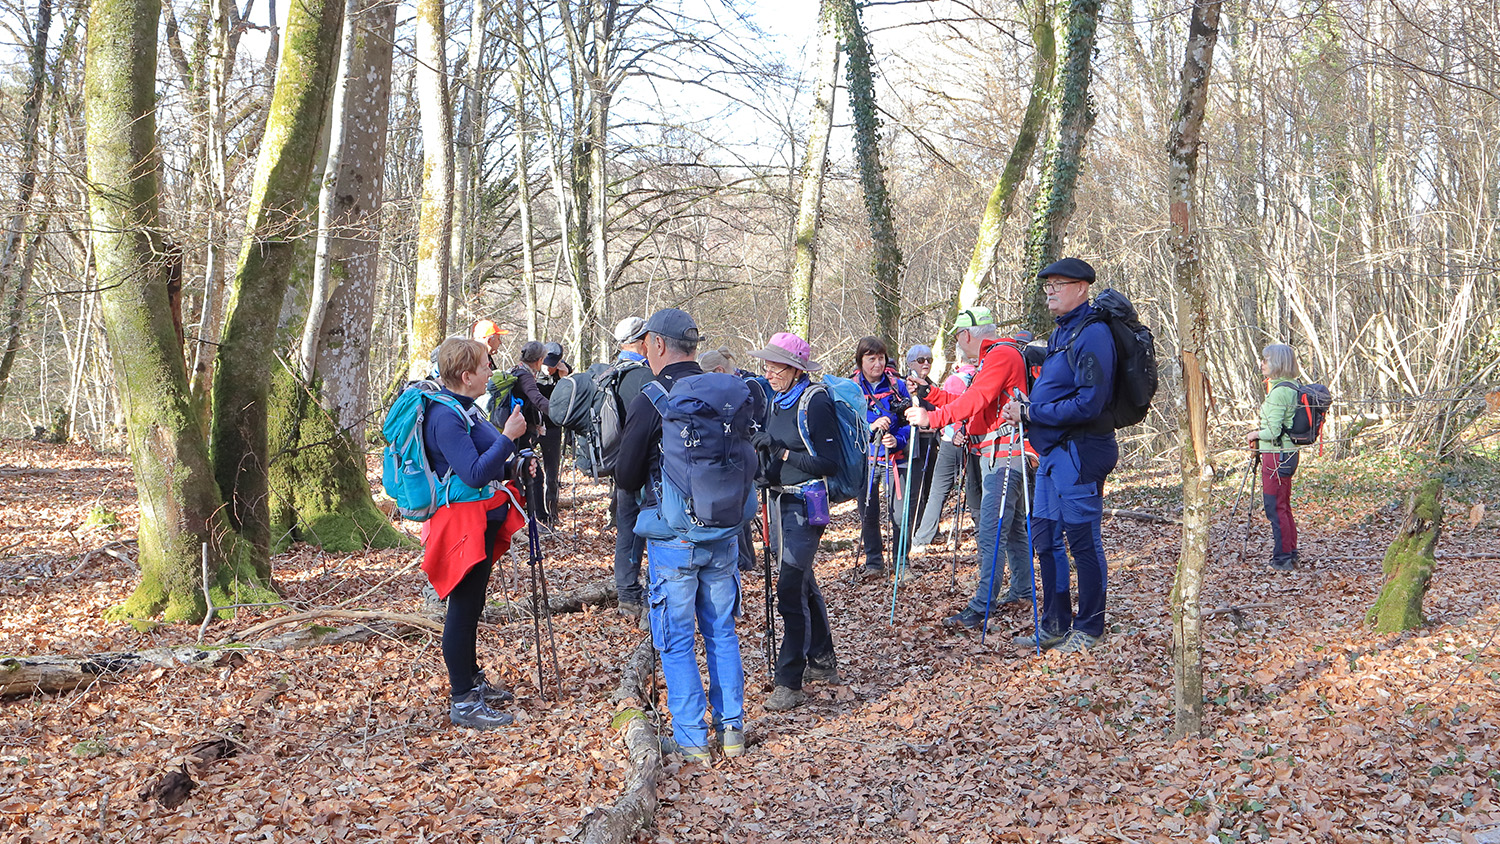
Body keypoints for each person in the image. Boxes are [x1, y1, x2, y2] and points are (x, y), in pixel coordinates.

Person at [615, 308, 747, 760]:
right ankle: (732, 732)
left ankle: (692, 741)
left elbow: (626, 475)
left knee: (675, 640)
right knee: (722, 632)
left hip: (674, 538)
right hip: (724, 532)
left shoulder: (652, 398)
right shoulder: (727, 391)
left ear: (656, 344)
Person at [1001, 257, 1118, 653]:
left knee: (1083, 541)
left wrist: (1031, 412)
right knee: (1046, 538)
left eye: (1058, 284)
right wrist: (1028, 405)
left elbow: (1089, 403)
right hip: (1053, 454)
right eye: (1047, 285)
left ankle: (1090, 628)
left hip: (1081, 453)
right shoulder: (1062, 332)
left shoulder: (1093, 334)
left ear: (1082, 288)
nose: (1049, 291)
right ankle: (1055, 623)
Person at [420, 337, 529, 730]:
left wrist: (515, 464)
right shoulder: (444, 416)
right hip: (459, 525)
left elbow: (489, 461)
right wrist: (509, 438)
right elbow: (474, 473)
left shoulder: (467, 408)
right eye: (485, 366)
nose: (490, 372)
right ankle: (463, 700)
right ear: (466, 375)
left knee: (473, 604)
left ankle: (471, 680)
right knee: (463, 610)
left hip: (478, 518)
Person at [906, 309, 1032, 629]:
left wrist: (932, 418)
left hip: (1004, 457)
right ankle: (1022, 590)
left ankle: (982, 606)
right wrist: (929, 392)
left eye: (957, 337)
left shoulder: (1000, 356)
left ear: (966, 335)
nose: (957, 344)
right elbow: (967, 398)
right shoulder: (992, 358)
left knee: (991, 530)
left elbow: (977, 398)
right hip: (998, 454)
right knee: (1013, 529)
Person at [748, 332, 842, 712]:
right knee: (802, 583)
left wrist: (782, 453)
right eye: (767, 366)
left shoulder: (815, 402)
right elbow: (776, 453)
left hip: (807, 505)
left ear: (797, 369)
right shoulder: (777, 400)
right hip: (779, 502)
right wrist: (765, 473)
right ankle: (822, 659)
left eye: (777, 367)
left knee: (789, 589)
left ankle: (790, 681)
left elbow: (829, 463)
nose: (769, 373)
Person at [701, 346, 771, 573]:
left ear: (719, 370)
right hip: (741, 458)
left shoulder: (745, 389)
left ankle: (743, 561)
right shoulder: (738, 387)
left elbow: (750, 426)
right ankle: (746, 560)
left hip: (746, 458)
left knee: (740, 511)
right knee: (739, 512)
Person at [853, 336, 915, 576]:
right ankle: (874, 563)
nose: (877, 364)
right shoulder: (852, 388)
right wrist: (871, 427)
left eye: (880, 358)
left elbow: (910, 422)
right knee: (868, 512)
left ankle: (901, 563)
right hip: (866, 460)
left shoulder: (897, 386)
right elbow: (846, 424)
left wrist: (897, 439)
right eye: (871, 359)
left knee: (899, 514)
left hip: (895, 459)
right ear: (860, 361)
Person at [909, 352, 982, 553]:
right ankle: (983, 538)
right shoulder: (980, 377)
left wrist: (946, 430)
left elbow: (952, 408)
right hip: (974, 441)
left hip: (952, 440)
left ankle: (922, 539)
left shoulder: (953, 380)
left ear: (959, 359)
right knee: (975, 490)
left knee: (938, 490)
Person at [609, 316, 656, 620]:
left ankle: (627, 596)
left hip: (620, 464)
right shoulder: (645, 377)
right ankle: (650, 597)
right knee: (655, 529)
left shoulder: (611, 374)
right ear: (641, 342)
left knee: (627, 530)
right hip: (647, 466)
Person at [1247, 343, 1302, 571]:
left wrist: (1254, 434)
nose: (1262, 364)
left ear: (1278, 362)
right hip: (1287, 454)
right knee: (1283, 505)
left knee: (1275, 507)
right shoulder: (1292, 387)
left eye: (1266, 360)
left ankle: (1282, 559)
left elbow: (1273, 431)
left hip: (1277, 456)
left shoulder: (1280, 392)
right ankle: (1289, 553)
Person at [902, 345, 940, 545]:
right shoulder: (904, 386)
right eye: (921, 360)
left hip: (932, 443)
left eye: (929, 360)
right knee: (915, 487)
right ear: (910, 363)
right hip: (912, 444)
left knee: (931, 485)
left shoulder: (932, 386)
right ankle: (915, 527)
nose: (926, 363)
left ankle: (930, 528)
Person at [535, 342, 573, 525]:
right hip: (533, 426)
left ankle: (552, 513)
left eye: (552, 365)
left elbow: (569, 402)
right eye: (545, 364)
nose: (548, 369)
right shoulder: (532, 373)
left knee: (552, 475)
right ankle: (535, 512)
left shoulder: (564, 375)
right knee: (532, 473)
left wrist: (564, 379)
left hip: (552, 429)